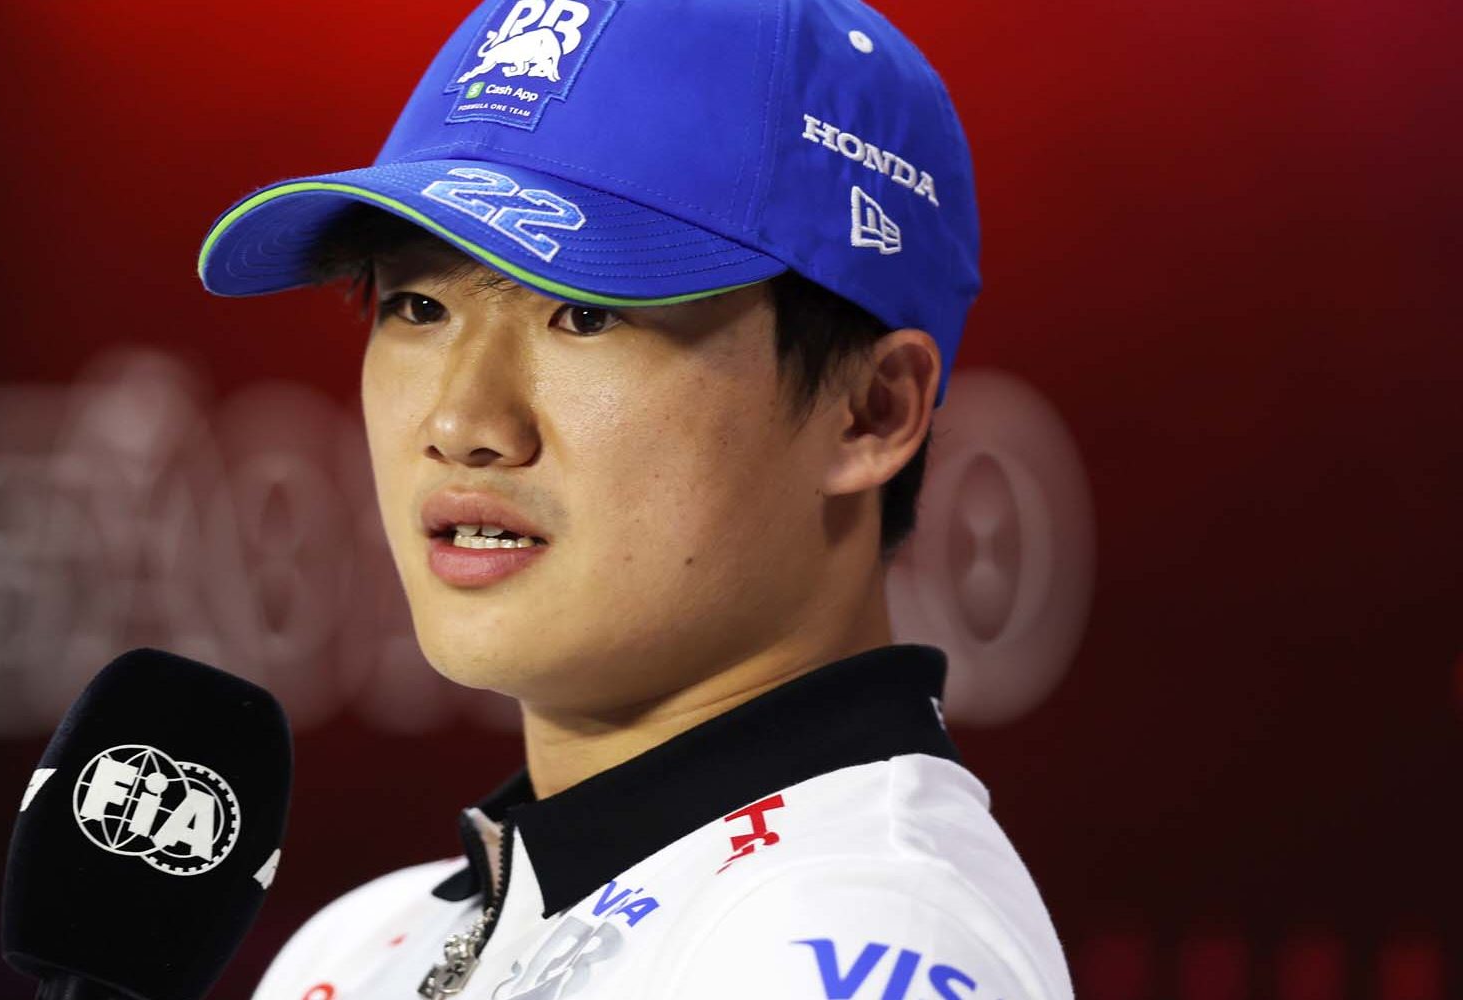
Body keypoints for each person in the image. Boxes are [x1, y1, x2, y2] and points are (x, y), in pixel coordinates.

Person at [197, 0, 1073, 997]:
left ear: (869, 412)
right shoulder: (358, 949)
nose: (462, 420)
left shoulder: (849, 937)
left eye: (586, 310)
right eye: (418, 305)